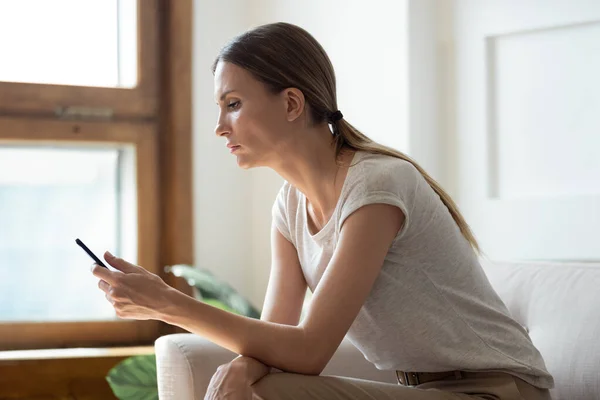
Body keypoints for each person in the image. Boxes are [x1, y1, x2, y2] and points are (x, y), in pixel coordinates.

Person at [91, 22, 554, 399]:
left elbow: (310, 349)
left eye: (233, 104)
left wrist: (169, 304)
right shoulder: (289, 206)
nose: (219, 127)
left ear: (292, 103)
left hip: (499, 391)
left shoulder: (377, 184)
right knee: (255, 384)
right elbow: (275, 333)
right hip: (420, 390)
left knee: (269, 391)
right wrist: (244, 365)